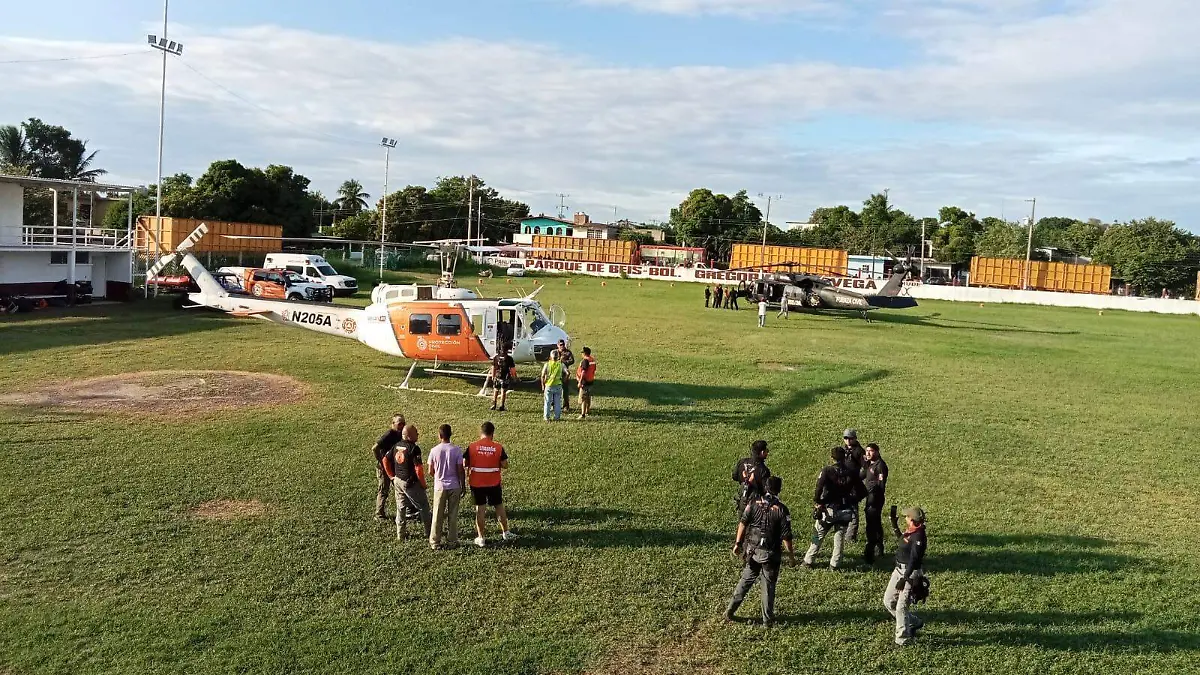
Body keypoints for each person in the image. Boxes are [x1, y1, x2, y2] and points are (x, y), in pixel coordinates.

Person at [724, 476, 796, 626]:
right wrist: (791, 556)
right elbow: (786, 537)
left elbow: (743, 523)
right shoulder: (781, 510)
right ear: (779, 489)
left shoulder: (753, 503)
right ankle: (767, 620)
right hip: (770, 555)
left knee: (744, 582)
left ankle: (730, 611)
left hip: (752, 551)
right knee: (768, 588)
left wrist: (737, 543)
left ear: (766, 488)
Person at [802, 447, 866, 569]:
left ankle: (808, 561)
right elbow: (862, 492)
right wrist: (851, 500)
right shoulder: (851, 472)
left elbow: (818, 488)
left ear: (832, 458)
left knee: (818, 534)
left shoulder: (827, 471)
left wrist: (818, 502)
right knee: (839, 537)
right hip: (845, 509)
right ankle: (835, 564)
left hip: (829, 509)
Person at [466, 421, 517, 547]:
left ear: (480, 433)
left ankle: (481, 537)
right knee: (499, 507)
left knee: (480, 509)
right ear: (492, 434)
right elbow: (505, 464)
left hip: (477, 482)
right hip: (493, 482)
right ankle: (506, 532)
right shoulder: (498, 447)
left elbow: (465, 463)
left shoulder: (472, 446)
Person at [884, 506, 928, 646]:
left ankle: (902, 639)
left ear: (912, 519)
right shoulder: (910, 531)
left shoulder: (919, 536)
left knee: (901, 607)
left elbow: (914, 559)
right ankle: (914, 622)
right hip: (898, 570)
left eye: (906, 516)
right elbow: (902, 541)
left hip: (910, 574)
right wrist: (894, 524)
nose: (905, 518)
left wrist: (905, 578)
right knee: (889, 601)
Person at [382, 424, 431, 540]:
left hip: (398, 481)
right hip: (410, 483)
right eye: (416, 432)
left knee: (401, 507)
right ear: (409, 436)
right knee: (423, 506)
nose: (418, 434)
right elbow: (418, 469)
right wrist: (423, 484)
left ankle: (401, 534)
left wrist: (391, 476)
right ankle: (429, 532)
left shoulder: (396, 445)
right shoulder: (414, 448)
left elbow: (385, 459)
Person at [426, 424, 465, 550]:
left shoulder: (434, 450)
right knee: (453, 515)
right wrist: (462, 485)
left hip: (440, 486)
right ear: (451, 434)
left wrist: (437, 476)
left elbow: (430, 471)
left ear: (439, 435)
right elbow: (460, 470)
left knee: (437, 514)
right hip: (454, 486)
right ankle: (452, 541)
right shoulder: (457, 450)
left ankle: (435, 541)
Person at [370, 414, 405, 521]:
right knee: (384, 490)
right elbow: (374, 448)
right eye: (399, 424)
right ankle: (379, 514)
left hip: (394, 466)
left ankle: (408, 511)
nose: (402, 426)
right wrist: (381, 461)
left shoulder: (401, 434)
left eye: (403, 423)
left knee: (401, 488)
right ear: (393, 424)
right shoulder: (389, 434)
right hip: (384, 468)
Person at [862, 443, 889, 563]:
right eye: (867, 451)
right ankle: (879, 548)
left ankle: (872, 551)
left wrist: (874, 496)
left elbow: (881, 485)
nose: (867, 453)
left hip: (875, 499)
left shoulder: (880, 466)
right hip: (870, 498)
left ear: (877, 452)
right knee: (875, 523)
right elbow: (861, 475)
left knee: (872, 525)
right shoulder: (870, 464)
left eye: (871, 451)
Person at [731, 440, 771, 514]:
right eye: (766, 451)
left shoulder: (742, 462)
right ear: (762, 453)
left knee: (742, 523)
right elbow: (766, 491)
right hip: (755, 506)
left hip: (742, 501)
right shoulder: (763, 470)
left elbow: (734, 476)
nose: (767, 453)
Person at [842, 429, 866, 542]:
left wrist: (857, 478)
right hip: (843, 485)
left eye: (850, 438)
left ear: (855, 438)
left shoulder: (859, 451)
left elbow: (866, 468)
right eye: (846, 438)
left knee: (853, 512)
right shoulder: (844, 450)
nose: (848, 440)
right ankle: (843, 532)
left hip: (853, 488)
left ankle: (850, 537)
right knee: (844, 509)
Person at [489, 342, 516, 412]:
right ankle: (502, 406)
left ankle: (493, 405)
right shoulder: (509, 358)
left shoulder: (496, 357)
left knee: (495, 390)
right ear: (507, 350)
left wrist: (493, 376)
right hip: (505, 377)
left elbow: (493, 367)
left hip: (497, 376)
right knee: (503, 391)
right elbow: (512, 369)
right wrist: (514, 377)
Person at [540, 350, 565, 421]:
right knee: (557, 402)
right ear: (558, 357)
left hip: (549, 385)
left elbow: (542, 375)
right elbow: (567, 372)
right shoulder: (561, 364)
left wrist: (542, 385)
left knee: (547, 402)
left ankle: (546, 417)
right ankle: (557, 417)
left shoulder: (547, 364)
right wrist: (564, 380)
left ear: (550, 357)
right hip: (558, 385)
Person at [576, 346, 597, 419]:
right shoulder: (592, 360)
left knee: (583, 398)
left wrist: (580, 381)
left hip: (585, 382)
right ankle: (588, 410)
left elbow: (583, 372)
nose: (581, 354)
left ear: (585, 353)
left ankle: (583, 414)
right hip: (590, 381)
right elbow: (594, 369)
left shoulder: (585, 361)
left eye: (582, 352)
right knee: (588, 397)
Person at [557, 339, 576, 412]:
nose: (562, 346)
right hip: (556, 374)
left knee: (565, 391)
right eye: (560, 345)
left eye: (563, 345)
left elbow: (572, 360)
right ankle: (554, 405)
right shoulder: (554, 352)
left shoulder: (568, 352)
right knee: (554, 390)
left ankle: (566, 406)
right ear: (557, 345)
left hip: (564, 374)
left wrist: (564, 362)